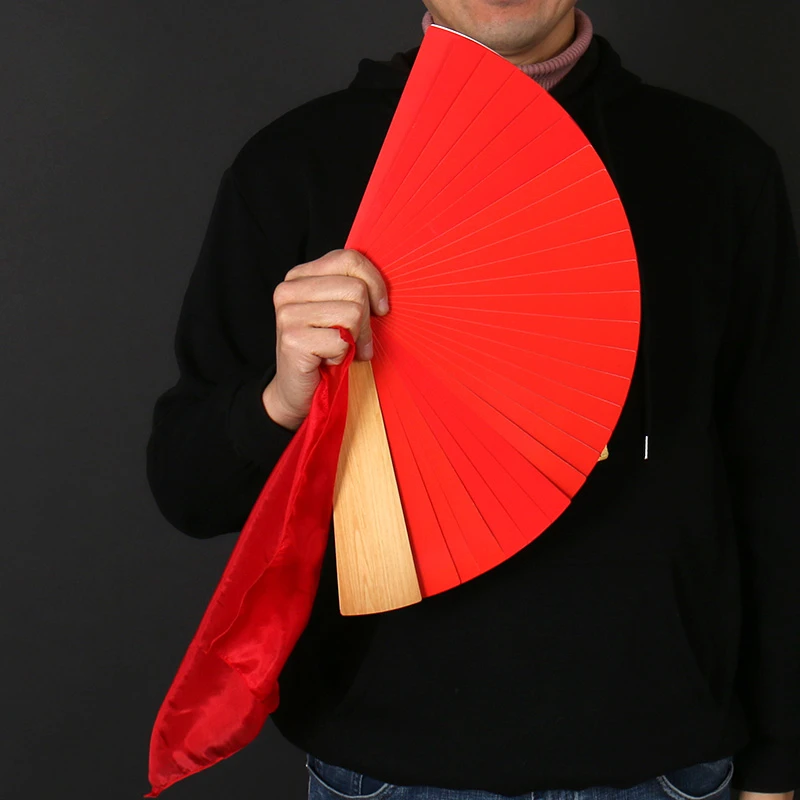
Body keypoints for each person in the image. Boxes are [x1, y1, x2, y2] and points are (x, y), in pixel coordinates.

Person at [145, 2, 800, 799]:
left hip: (663, 762)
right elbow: (188, 489)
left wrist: (778, 760)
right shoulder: (297, 164)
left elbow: (775, 478)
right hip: (388, 767)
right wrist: (282, 398)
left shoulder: (718, 164)